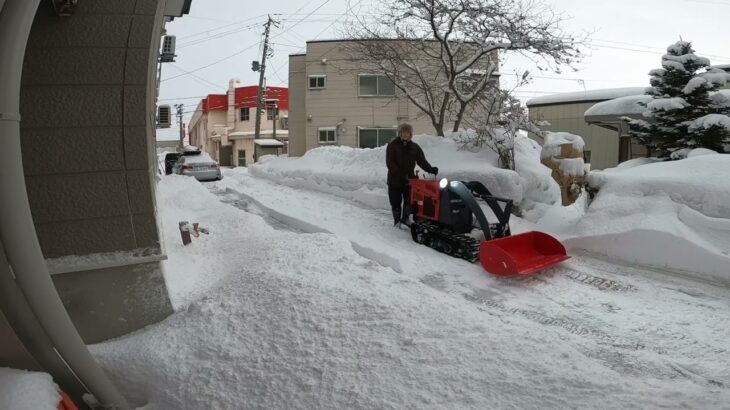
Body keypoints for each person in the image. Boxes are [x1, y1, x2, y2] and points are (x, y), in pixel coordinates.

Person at [386, 123, 438, 226]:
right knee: (395, 202)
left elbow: (422, 161)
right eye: (403, 132)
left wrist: (430, 169)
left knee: (409, 201)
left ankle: (405, 219)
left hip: (409, 180)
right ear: (399, 133)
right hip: (395, 180)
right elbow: (390, 162)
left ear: (410, 134)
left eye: (407, 132)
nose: (405, 134)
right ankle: (397, 221)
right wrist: (398, 173)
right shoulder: (392, 146)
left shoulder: (415, 147)